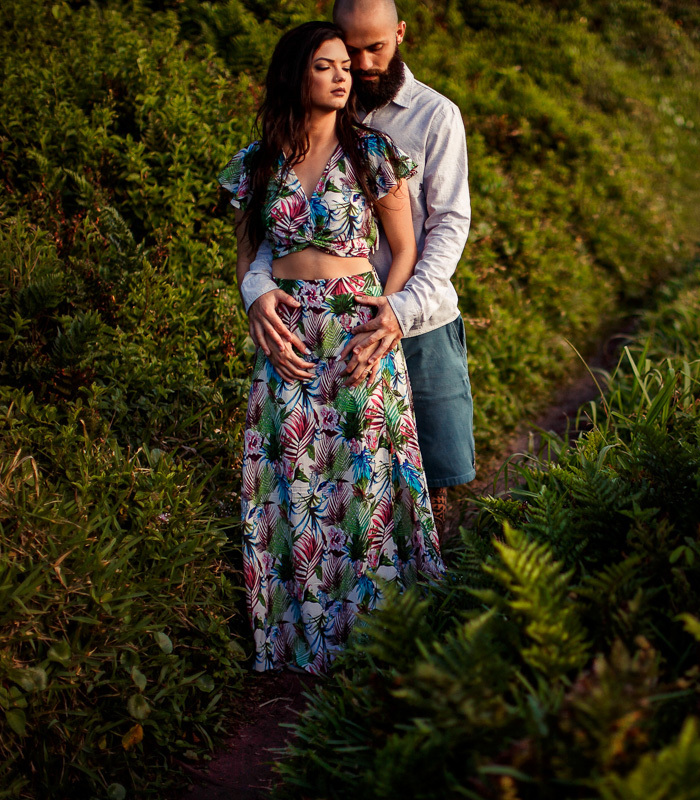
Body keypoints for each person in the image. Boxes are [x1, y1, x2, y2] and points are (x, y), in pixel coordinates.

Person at [220, 20, 445, 676]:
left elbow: (404, 249)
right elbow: (247, 255)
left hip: (357, 329)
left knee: (363, 475)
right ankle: (305, 636)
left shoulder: (372, 152)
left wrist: (385, 321)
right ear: (297, 74)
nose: (343, 75)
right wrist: (256, 302)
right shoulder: (258, 161)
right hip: (288, 333)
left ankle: (378, 638)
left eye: (346, 65)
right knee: (294, 478)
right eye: (326, 65)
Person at [240, 0, 475, 537]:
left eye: (376, 48)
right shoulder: (294, 135)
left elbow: (449, 223)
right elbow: (277, 232)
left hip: (418, 315)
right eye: (350, 51)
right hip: (322, 324)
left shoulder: (433, 115)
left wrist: (399, 308)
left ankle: (432, 586)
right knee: (332, 479)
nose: (363, 64)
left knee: (431, 478)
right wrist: (255, 289)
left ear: (401, 34)